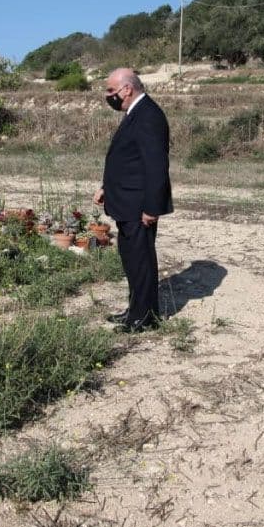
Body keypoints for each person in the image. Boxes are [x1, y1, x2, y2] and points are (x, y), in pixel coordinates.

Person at [94, 68, 173, 333]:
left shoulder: (149, 115)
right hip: (126, 202)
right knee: (132, 260)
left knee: (141, 261)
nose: (108, 96)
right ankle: (135, 310)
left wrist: (152, 207)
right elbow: (128, 159)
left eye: (110, 90)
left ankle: (144, 318)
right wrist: (106, 186)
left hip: (139, 206)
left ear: (127, 89)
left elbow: (156, 166)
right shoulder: (135, 113)